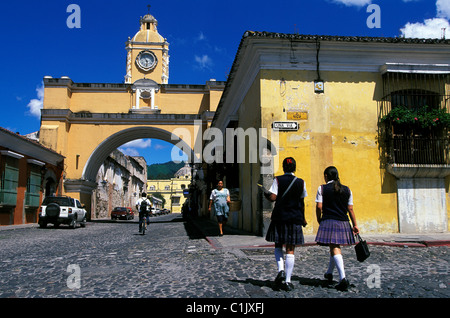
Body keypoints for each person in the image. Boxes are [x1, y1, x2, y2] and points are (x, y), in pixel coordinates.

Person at [264, 157, 307, 291]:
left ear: (283, 168)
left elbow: (273, 197)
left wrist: (266, 193)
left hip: (280, 217)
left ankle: (281, 270)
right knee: (290, 249)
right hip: (294, 218)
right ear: (294, 167)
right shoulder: (301, 182)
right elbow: (302, 202)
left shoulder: (278, 180)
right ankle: (288, 281)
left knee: (278, 244)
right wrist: (303, 218)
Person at [315, 166, 359, 291]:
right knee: (333, 246)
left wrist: (319, 219)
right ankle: (329, 272)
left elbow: (319, 207)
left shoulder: (322, 188)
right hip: (343, 221)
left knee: (335, 247)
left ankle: (343, 278)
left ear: (326, 176)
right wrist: (355, 225)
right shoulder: (347, 190)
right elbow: (350, 209)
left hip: (329, 220)